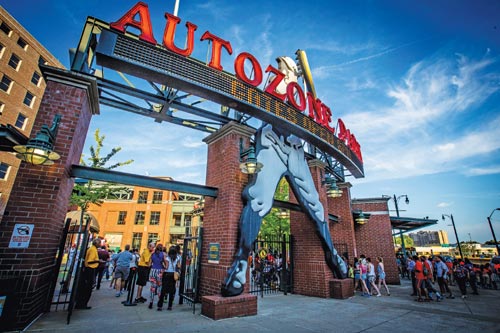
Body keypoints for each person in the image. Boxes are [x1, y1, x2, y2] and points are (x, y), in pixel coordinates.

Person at [75, 238, 101, 310]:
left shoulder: (92, 249)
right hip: (89, 269)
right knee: (88, 288)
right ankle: (82, 304)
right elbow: (90, 261)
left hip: (89, 269)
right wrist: (98, 261)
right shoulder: (93, 250)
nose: (100, 244)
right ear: (96, 243)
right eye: (100, 243)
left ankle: (81, 303)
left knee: (87, 287)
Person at [158, 246, 181, 311]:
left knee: (163, 290)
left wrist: (163, 265)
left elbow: (166, 267)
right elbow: (179, 266)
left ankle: (160, 306)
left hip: (167, 274)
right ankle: (170, 306)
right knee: (172, 290)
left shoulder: (167, 258)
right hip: (173, 274)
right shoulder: (178, 258)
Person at [148, 244, 166, 309]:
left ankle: (151, 302)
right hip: (160, 271)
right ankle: (159, 303)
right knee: (159, 287)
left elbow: (149, 264)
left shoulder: (152, 254)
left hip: (153, 271)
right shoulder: (162, 254)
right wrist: (165, 268)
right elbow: (165, 263)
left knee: (152, 287)